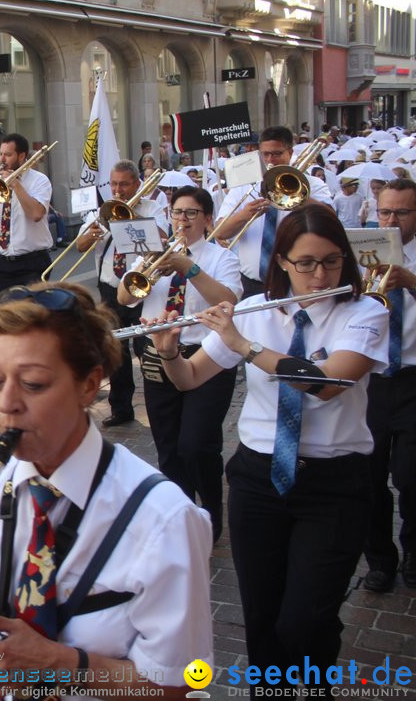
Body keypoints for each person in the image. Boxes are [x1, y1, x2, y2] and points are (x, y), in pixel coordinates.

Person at [149, 203, 386, 691]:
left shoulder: (366, 312)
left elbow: (326, 383)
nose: (319, 275)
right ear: (281, 262)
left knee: (304, 619)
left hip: (334, 484)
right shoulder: (257, 313)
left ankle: (315, 679)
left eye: (331, 261)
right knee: (260, 614)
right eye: (306, 263)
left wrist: (244, 345)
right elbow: (190, 379)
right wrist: (170, 350)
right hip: (258, 478)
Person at [0, 281, 212, 699]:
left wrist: (61, 665)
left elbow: (185, 682)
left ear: (90, 385)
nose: (6, 404)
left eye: (33, 384)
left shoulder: (165, 519)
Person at [116, 187, 241, 543]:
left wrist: (190, 267)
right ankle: (181, 516)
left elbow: (229, 301)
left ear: (207, 219)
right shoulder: (154, 256)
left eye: (190, 213)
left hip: (207, 356)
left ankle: (212, 513)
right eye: (176, 212)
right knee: (168, 445)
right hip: (158, 356)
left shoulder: (220, 258)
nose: (182, 220)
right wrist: (143, 268)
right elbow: (126, 298)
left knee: (197, 444)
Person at [75, 160, 168, 428]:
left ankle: (156, 404)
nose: (118, 190)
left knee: (146, 348)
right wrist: (92, 235)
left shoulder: (152, 207)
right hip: (109, 287)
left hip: (141, 288)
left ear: (137, 183)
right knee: (115, 349)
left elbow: (162, 240)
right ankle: (121, 407)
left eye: (124, 184)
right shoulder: (101, 210)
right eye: (114, 184)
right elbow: (79, 246)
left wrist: (131, 216)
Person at [362, 178, 416, 593]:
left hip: (414, 377)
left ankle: (414, 550)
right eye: (385, 212)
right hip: (372, 378)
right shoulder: (363, 249)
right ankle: (379, 559)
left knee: (411, 476)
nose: (391, 221)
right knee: (368, 475)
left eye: (401, 212)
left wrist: (410, 281)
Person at [213, 126, 334, 298]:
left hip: (296, 281)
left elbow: (331, 221)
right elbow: (221, 232)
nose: (270, 160)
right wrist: (245, 214)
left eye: (277, 154)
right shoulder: (244, 186)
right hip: (252, 284)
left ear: (290, 153)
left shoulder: (311, 184)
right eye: (265, 154)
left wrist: (299, 197)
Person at [0, 133, 53, 291]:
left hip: (32, 262)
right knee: (8, 313)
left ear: (22, 155)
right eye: (1, 154)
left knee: (30, 313)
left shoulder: (39, 181)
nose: (2, 159)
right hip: (3, 261)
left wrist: (16, 184)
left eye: (8, 155)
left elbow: (36, 214)